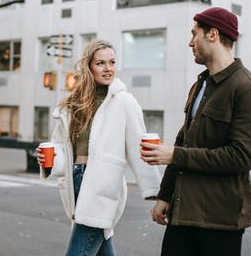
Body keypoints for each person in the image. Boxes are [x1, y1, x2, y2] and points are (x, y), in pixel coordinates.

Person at [140, 7, 251, 256]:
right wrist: (164, 195)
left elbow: (240, 157)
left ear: (212, 35)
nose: (190, 42)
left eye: (194, 34)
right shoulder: (200, 84)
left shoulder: (248, 90)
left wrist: (174, 155)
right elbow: (183, 141)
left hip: (219, 220)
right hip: (182, 214)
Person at [37, 39, 161, 256]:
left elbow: (139, 147)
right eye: (101, 63)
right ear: (89, 66)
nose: (108, 69)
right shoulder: (73, 104)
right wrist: (49, 161)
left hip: (102, 183)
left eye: (112, 62)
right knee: (101, 247)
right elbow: (62, 147)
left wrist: (156, 191)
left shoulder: (124, 102)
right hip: (76, 178)